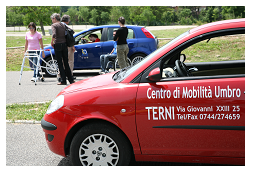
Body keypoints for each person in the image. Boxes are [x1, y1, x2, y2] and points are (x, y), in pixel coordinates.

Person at [50, 13, 74, 85]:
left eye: (52, 19)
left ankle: (63, 80)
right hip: (65, 45)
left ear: (54, 18)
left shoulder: (54, 25)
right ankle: (71, 80)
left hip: (58, 45)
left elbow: (54, 34)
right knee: (66, 63)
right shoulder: (63, 24)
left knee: (60, 63)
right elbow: (71, 31)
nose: (52, 21)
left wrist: (52, 41)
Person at [57, 14, 76, 82]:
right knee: (70, 60)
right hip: (68, 45)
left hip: (60, 45)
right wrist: (72, 46)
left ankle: (60, 75)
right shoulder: (67, 27)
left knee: (61, 61)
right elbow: (70, 38)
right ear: (68, 21)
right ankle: (70, 75)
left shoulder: (58, 26)